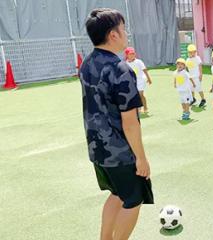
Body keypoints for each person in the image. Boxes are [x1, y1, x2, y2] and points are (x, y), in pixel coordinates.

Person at [79, 8, 153, 240]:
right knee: (133, 198)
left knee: (117, 194)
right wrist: (141, 158)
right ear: (113, 35)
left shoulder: (87, 63)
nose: (126, 34)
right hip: (119, 151)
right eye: (124, 29)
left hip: (97, 148)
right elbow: (130, 123)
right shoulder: (120, 70)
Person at [125, 47, 153, 113]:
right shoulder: (126, 63)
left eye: (133, 53)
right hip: (133, 81)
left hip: (141, 80)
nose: (132, 55)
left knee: (140, 94)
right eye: (130, 54)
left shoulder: (139, 61)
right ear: (126, 55)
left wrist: (149, 79)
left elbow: (145, 70)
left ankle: (145, 108)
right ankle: (139, 108)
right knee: (136, 95)